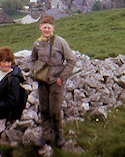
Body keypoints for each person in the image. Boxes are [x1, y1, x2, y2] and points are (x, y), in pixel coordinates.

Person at [31, 14, 76, 148]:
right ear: (40, 27)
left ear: (53, 28)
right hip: (42, 81)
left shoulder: (60, 42)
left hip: (56, 82)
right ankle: (46, 136)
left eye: (49, 27)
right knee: (44, 109)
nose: (46, 30)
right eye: (44, 27)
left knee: (55, 110)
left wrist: (62, 78)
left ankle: (59, 135)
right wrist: (35, 71)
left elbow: (71, 60)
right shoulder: (37, 43)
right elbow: (33, 59)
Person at [0, 47, 26, 132]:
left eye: (8, 62)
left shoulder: (13, 78)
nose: (6, 64)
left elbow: (12, 102)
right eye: (3, 62)